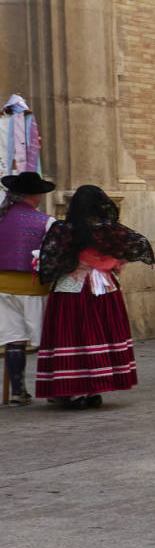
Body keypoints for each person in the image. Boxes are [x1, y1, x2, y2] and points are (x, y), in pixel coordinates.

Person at [34, 184, 153, 407]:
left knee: (71, 336)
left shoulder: (63, 229)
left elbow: (50, 260)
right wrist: (111, 262)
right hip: (103, 289)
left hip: (71, 289)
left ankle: (73, 391)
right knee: (99, 336)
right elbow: (138, 244)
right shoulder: (110, 230)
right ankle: (94, 390)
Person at [0, 171, 54, 404]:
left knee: (15, 339)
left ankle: (17, 391)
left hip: (2, 287)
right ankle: (53, 390)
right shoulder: (46, 222)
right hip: (33, 288)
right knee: (46, 340)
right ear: (36, 195)